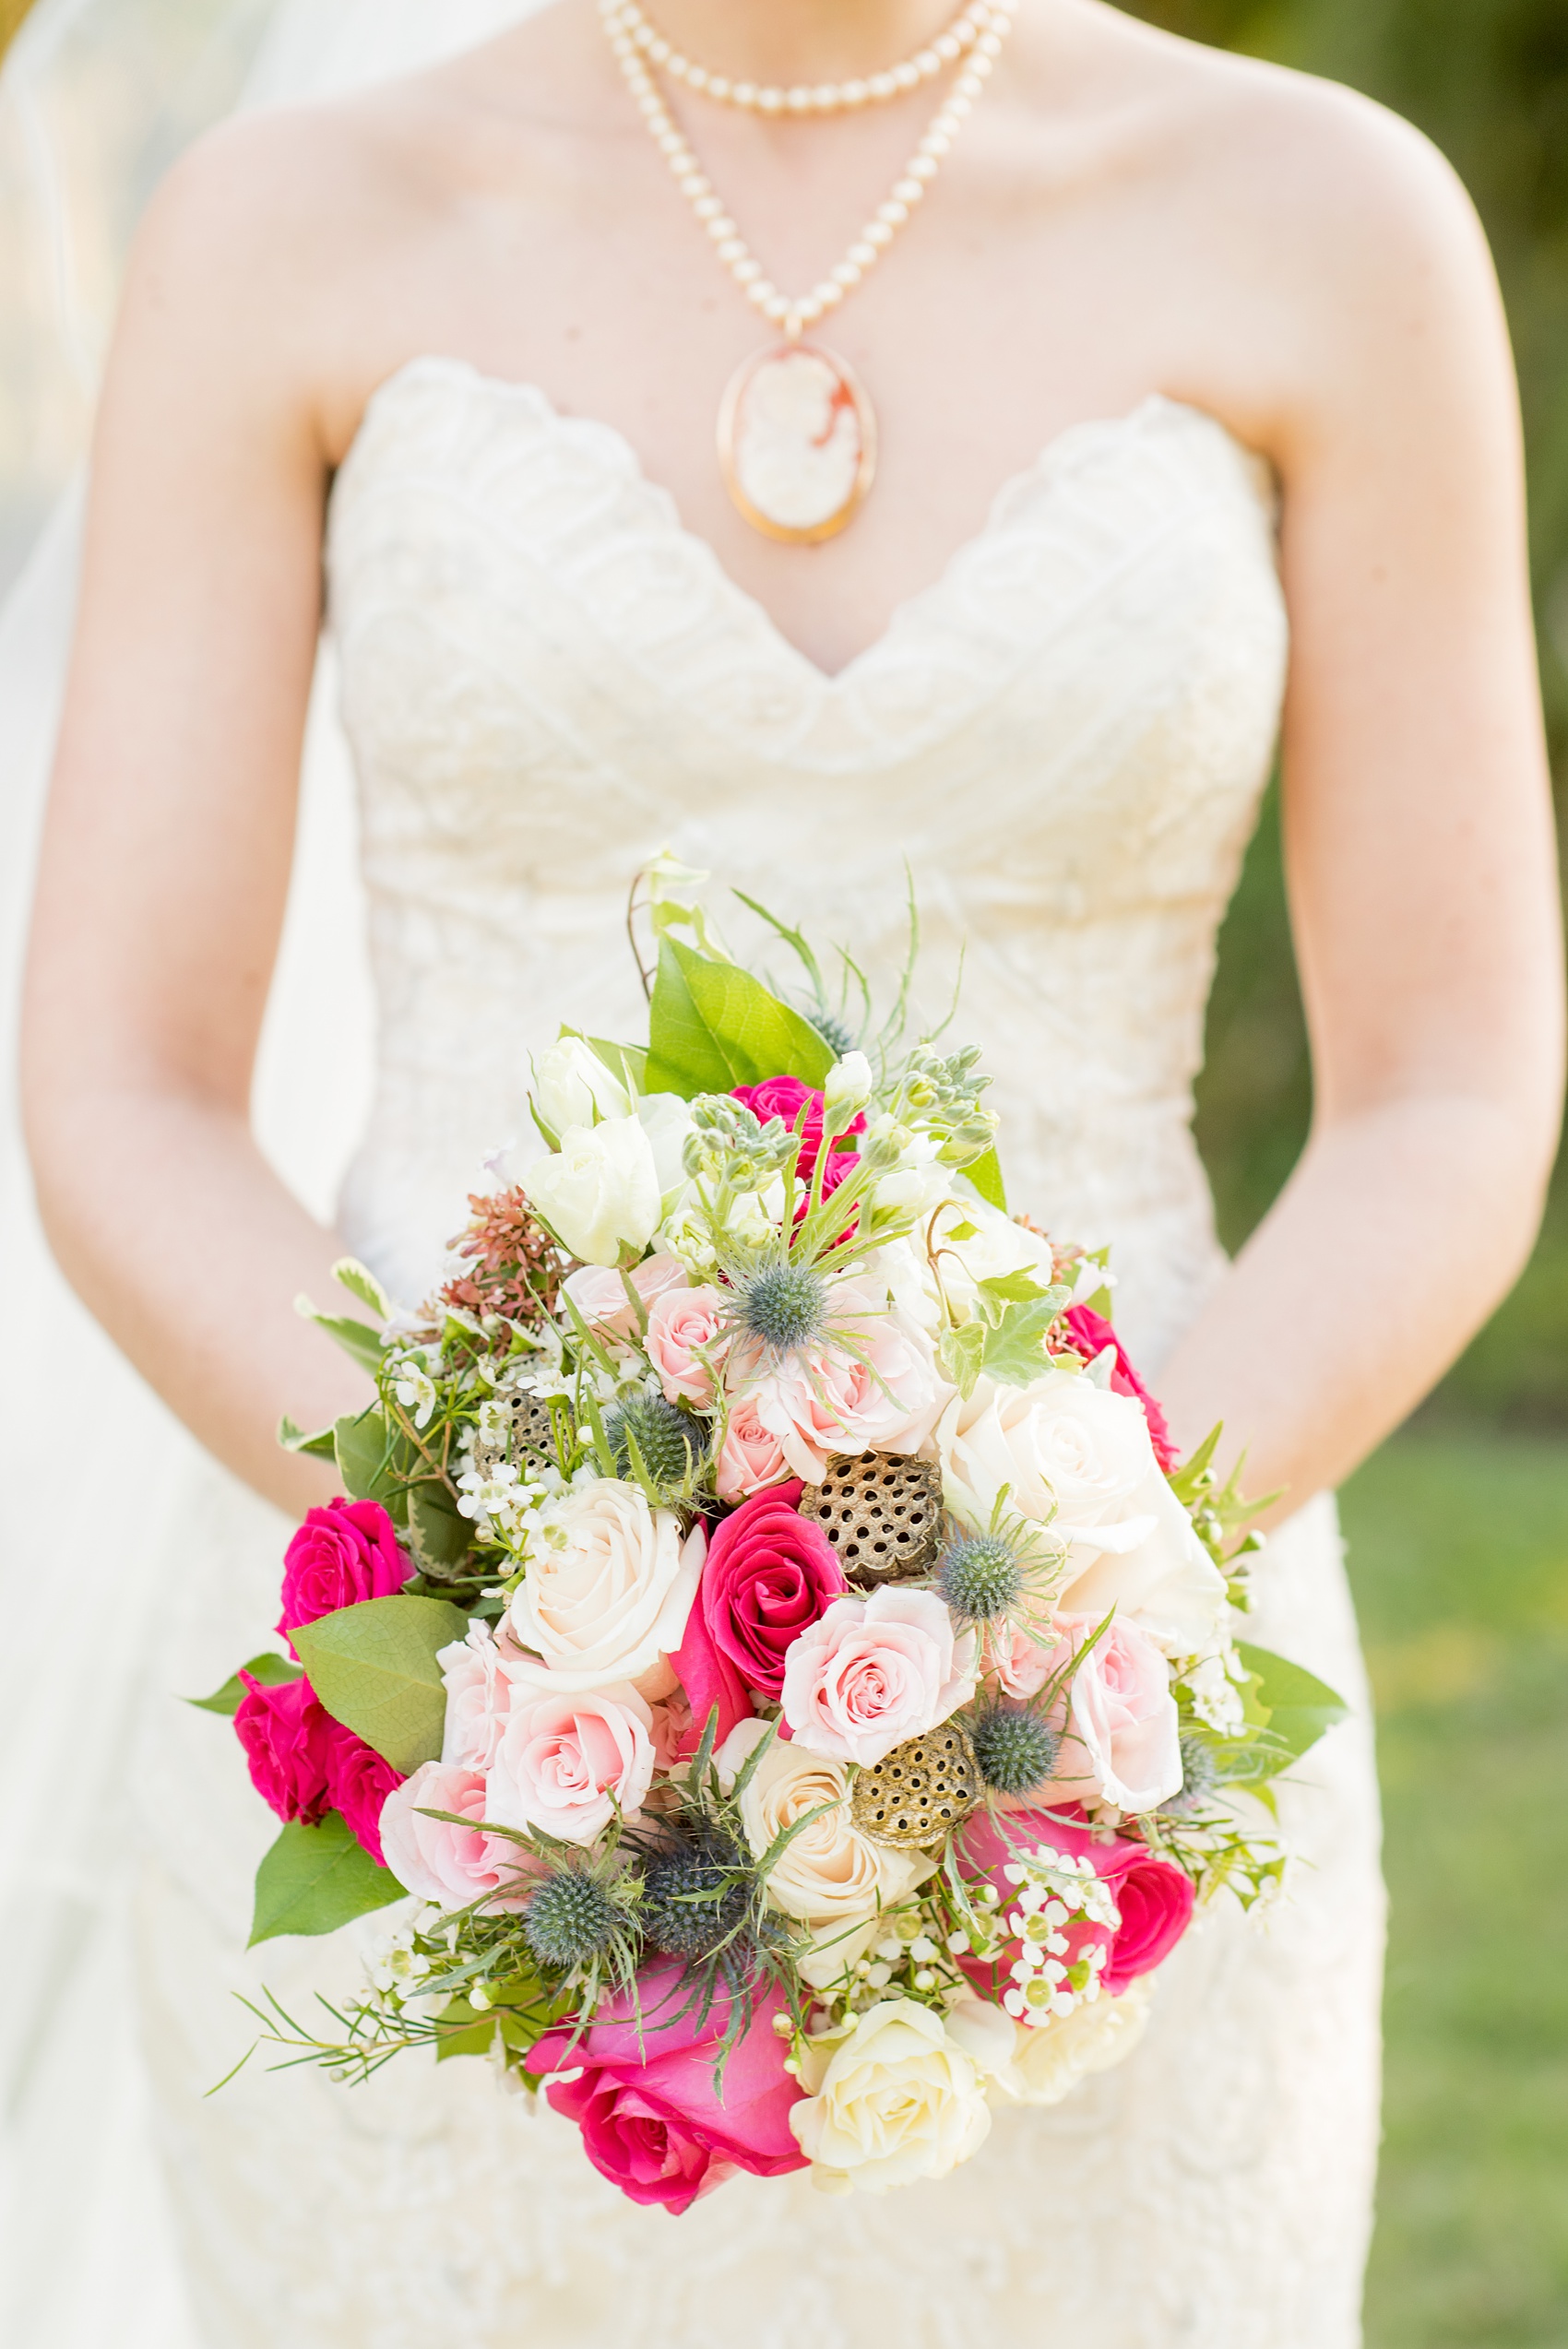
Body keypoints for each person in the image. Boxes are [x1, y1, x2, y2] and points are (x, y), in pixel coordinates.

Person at [13, 0, 1563, 2342]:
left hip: (1108, 1751)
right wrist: (520, 1589)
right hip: (461, 1768)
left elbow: (1448, 1090)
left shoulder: (1332, 225)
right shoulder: (285, 230)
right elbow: (122, 1080)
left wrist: (1067, 1595)